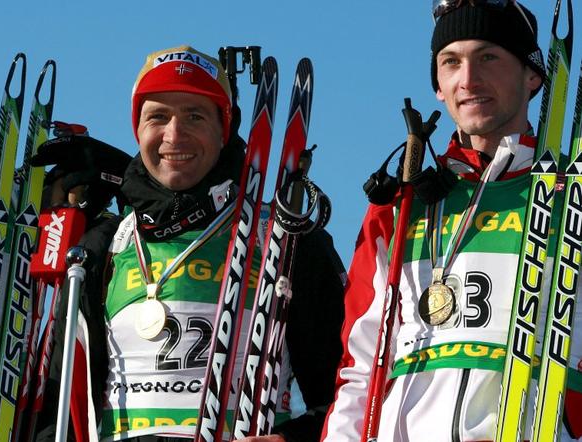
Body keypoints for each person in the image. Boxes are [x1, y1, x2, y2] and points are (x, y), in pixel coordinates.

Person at [36, 45, 346, 442]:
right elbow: (58, 407)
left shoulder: (287, 240)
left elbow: (348, 393)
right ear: (138, 129)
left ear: (224, 130)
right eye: (158, 117)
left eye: (195, 116)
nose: (174, 135)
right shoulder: (103, 246)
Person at [322, 2, 582, 441]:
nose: (469, 79)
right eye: (451, 62)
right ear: (438, 86)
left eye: (489, 57)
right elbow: (360, 365)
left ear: (532, 75)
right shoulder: (402, 201)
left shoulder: (570, 196)